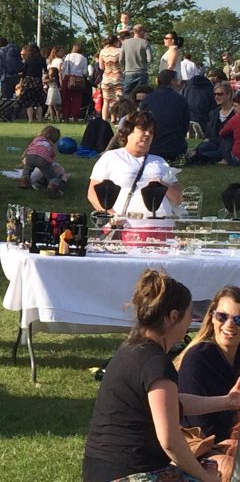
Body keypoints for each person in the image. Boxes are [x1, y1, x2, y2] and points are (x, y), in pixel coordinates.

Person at [82, 270, 226, 482]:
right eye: (189, 315)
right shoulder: (156, 363)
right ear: (173, 317)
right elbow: (170, 441)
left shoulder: (132, 348)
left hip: (99, 470)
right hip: (128, 473)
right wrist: (204, 477)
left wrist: (227, 401)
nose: (191, 322)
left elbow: (172, 403)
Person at [175, 286, 240, 453]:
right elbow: (202, 427)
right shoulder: (198, 359)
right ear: (212, 317)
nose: (229, 325)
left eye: (238, 319)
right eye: (222, 317)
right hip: (202, 451)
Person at [87, 110, 183, 218]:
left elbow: (178, 199)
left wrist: (162, 185)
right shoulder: (111, 157)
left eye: (151, 132)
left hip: (162, 227)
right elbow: (93, 193)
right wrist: (112, 215)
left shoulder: (160, 161)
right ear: (129, 132)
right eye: (143, 129)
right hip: (124, 226)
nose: (147, 134)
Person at [141, 70, 191, 163]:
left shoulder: (147, 99)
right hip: (175, 149)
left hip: (152, 148)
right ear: (172, 81)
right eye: (177, 80)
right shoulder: (181, 100)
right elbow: (185, 127)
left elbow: (142, 123)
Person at [17, 125, 65, 197]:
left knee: (27, 170)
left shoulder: (37, 139)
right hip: (43, 159)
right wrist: (51, 163)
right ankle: (52, 185)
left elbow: (29, 148)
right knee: (51, 176)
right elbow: (52, 156)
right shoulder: (50, 144)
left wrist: (24, 156)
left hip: (30, 156)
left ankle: (24, 181)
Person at [17, 43, 46, 122]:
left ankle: (30, 119)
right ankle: (39, 119)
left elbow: (24, 73)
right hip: (37, 81)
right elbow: (45, 71)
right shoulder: (42, 59)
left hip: (28, 81)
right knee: (39, 101)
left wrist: (20, 83)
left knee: (29, 102)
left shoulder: (28, 60)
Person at [122, 23, 154, 96]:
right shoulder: (145, 42)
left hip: (128, 73)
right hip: (141, 73)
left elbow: (121, 59)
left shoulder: (125, 43)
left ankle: (127, 107)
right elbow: (150, 59)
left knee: (127, 95)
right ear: (141, 31)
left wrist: (124, 68)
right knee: (141, 95)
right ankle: (139, 107)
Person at [61, 43, 90, 121]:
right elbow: (84, 72)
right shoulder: (84, 58)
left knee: (66, 98)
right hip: (78, 79)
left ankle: (65, 116)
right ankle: (75, 117)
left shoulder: (68, 56)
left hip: (68, 77)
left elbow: (63, 68)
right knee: (77, 99)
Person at [99, 34, 124, 121]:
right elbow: (123, 64)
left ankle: (104, 121)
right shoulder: (120, 51)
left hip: (106, 78)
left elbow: (101, 67)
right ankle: (116, 118)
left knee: (106, 101)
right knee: (118, 100)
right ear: (116, 42)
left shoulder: (102, 51)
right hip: (117, 78)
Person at [218, 92, 240, 166]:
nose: (234, 109)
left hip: (236, 158)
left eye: (236, 106)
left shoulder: (235, 119)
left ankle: (224, 158)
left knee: (227, 136)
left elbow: (222, 133)